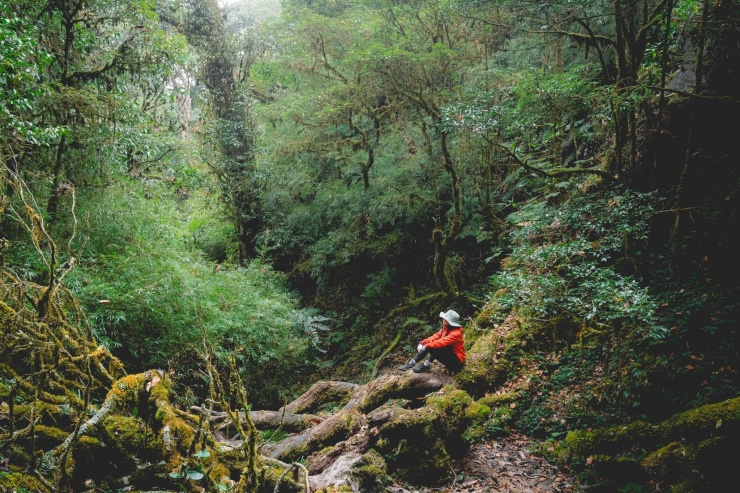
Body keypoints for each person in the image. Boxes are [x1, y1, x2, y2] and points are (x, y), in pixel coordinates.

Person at [398, 309, 466, 374]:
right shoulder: (445, 328)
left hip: (457, 362)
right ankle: (413, 364)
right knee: (433, 345)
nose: (443, 319)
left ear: (450, 322)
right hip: (450, 356)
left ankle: (422, 365)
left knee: (434, 346)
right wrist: (423, 342)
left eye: (445, 319)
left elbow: (442, 342)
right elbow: (435, 337)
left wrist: (426, 346)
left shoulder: (456, 333)